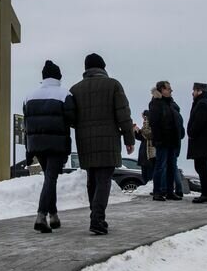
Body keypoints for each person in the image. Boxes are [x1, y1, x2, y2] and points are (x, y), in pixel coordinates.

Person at [69, 53, 134, 235]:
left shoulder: (75, 89)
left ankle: (95, 215)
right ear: (103, 67)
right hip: (109, 140)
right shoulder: (113, 85)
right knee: (104, 180)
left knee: (92, 180)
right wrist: (129, 139)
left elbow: (72, 118)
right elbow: (123, 114)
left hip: (85, 141)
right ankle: (97, 219)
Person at [23, 60, 76, 233]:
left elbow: (27, 125)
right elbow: (72, 120)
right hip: (57, 144)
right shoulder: (64, 94)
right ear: (58, 76)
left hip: (36, 144)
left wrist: (28, 150)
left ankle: (53, 215)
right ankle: (41, 215)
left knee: (49, 178)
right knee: (51, 178)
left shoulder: (29, 95)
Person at [148, 81, 183, 201]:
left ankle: (169, 191)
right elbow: (155, 123)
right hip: (163, 141)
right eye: (168, 89)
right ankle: (157, 191)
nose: (171, 91)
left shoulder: (171, 103)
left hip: (173, 140)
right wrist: (158, 139)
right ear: (162, 90)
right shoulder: (156, 104)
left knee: (171, 166)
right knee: (160, 166)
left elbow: (176, 120)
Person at [186, 82, 207, 203]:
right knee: (202, 167)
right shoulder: (205, 102)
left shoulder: (202, 104)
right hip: (205, 141)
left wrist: (191, 132)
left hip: (202, 141)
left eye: (194, 90)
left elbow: (199, 122)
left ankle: (206, 193)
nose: (192, 93)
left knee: (202, 167)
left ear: (199, 91)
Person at [134, 110, 155, 183]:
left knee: (149, 175)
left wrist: (140, 131)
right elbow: (142, 137)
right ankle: (147, 186)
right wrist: (136, 131)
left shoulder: (150, 125)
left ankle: (151, 186)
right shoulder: (146, 126)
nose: (143, 119)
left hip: (149, 154)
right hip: (144, 154)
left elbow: (147, 135)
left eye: (144, 117)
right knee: (145, 175)